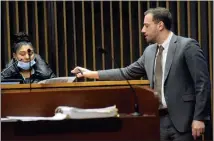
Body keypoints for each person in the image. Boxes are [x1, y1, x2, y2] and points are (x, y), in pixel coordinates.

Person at [71, 7, 211, 141]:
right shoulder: (149, 52)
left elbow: (202, 83)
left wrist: (199, 118)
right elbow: (126, 73)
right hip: (158, 120)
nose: (142, 30)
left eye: (146, 25)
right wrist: (90, 74)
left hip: (184, 121)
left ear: (160, 25)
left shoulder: (187, 46)